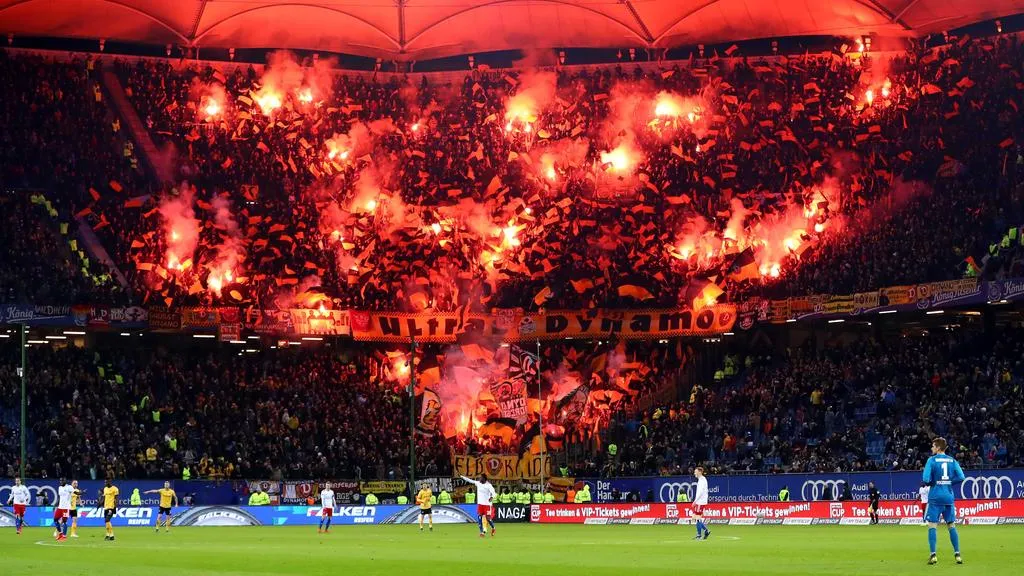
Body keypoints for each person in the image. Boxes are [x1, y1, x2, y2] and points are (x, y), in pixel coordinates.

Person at [922, 437, 965, 565]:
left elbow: (925, 478)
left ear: (938, 448)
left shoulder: (931, 460)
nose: (931, 448)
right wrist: (950, 482)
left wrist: (932, 482)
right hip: (948, 496)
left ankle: (933, 555)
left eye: (933, 446)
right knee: (951, 525)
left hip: (935, 497)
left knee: (932, 526)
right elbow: (962, 477)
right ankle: (957, 554)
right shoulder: (952, 460)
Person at [692, 467, 710, 540]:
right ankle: (706, 531)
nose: (694, 473)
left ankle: (699, 535)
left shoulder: (702, 480)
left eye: (695, 472)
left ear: (699, 472)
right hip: (700, 501)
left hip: (700, 501)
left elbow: (700, 492)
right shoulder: (701, 480)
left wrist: (695, 501)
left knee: (698, 518)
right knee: (696, 517)